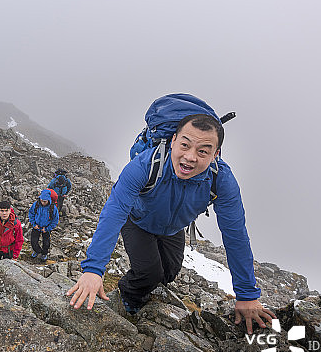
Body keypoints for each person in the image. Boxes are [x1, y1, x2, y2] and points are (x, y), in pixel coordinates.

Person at [67, 96, 275, 335]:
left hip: (173, 228)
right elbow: (114, 212)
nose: (190, 157)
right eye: (185, 145)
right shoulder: (146, 165)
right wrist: (94, 270)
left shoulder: (221, 180)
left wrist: (247, 295)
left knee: (169, 273)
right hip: (137, 221)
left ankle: (142, 292)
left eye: (203, 151)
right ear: (174, 140)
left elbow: (235, 235)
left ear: (216, 154)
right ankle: (126, 302)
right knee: (149, 273)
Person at [28, 189, 59, 261]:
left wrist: (47, 228)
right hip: (36, 226)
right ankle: (37, 251)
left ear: (48, 200)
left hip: (46, 228)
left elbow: (55, 220)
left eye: (44, 201)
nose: (42, 202)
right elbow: (31, 214)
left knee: (46, 243)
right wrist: (34, 224)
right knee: (33, 241)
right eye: (41, 200)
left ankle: (44, 253)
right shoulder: (36, 204)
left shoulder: (52, 208)